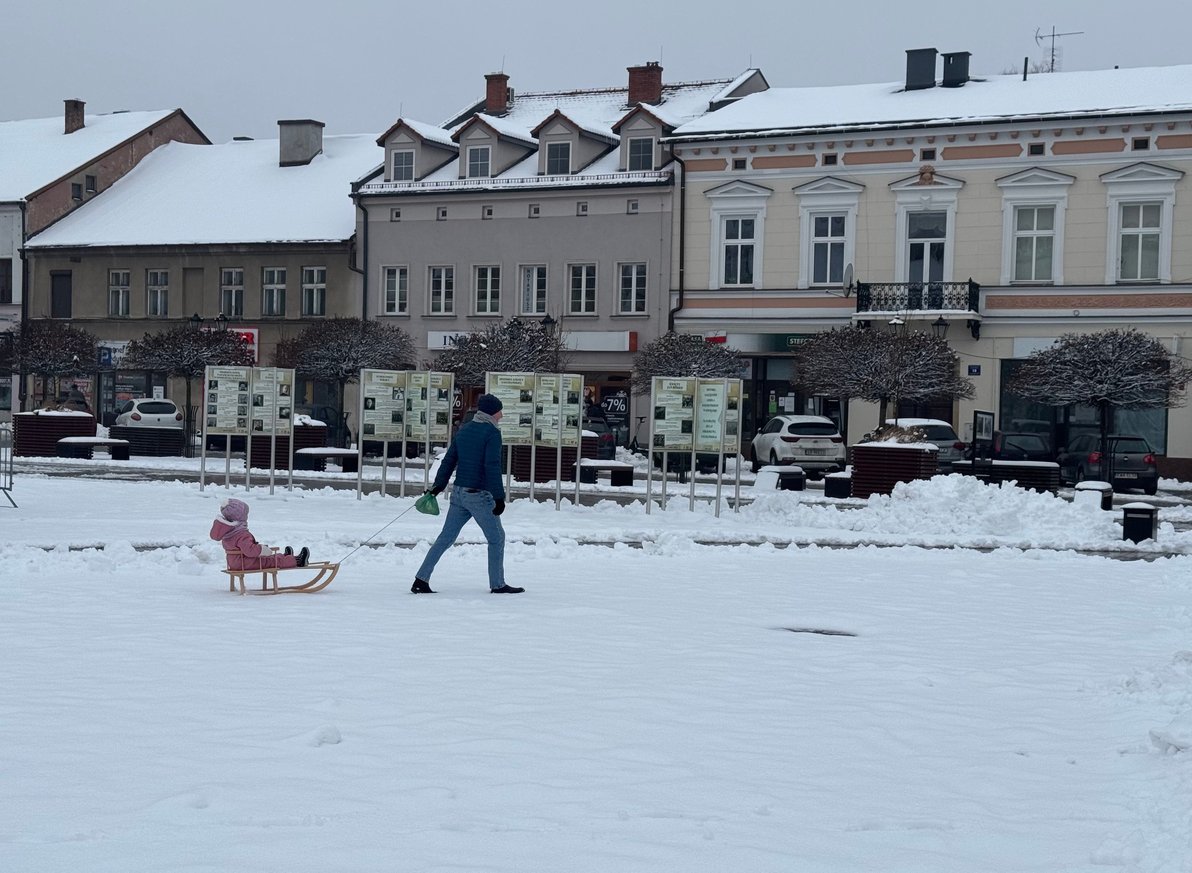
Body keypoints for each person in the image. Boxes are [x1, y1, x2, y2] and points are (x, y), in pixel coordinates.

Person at [412, 393, 522, 594]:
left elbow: (449, 460)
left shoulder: (464, 430)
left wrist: (438, 487)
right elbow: (492, 465)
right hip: (479, 495)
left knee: (445, 538)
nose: (502, 415)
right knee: (497, 538)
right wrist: (499, 497)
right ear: (491, 413)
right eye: (500, 411)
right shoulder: (491, 433)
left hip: (459, 494)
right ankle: (498, 584)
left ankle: (421, 579)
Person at [210, 497, 309, 571]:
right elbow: (250, 551)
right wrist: (261, 549)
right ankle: (297, 561)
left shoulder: (228, 532)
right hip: (244, 563)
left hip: (235, 562)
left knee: (268, 558)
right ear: (240, 517)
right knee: (270, 561)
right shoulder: (241, 534)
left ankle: (285, 557)